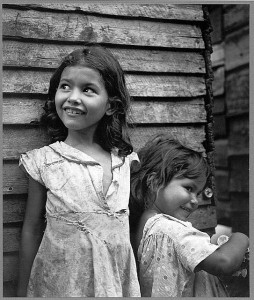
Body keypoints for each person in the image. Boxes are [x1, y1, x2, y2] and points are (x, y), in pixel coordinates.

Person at [16, 44, 141, 297]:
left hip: (115, 287)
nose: (73, 97)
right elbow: (31, 228)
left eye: (87, 89)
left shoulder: (125, 162)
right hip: (61, 286)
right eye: (65, 86)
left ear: (111, 106)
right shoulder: (44, 162)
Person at [130, 134, 249, 297]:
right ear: (155, 181)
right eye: (189, 188)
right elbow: (224, 262)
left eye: (199, 193)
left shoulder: (146, 225)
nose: (195, 201)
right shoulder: (169, 229)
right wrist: (241, 236)